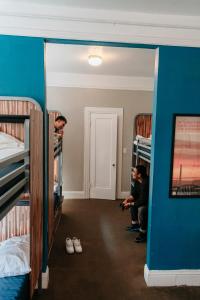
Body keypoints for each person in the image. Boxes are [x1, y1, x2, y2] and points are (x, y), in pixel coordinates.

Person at [123, 165, 149, 243]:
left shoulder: (146, 183)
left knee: (142, 210)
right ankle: (135, 225)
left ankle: (143, 233)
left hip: (148, 203)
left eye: (134, 171)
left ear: (139, 175)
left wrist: (131, 204)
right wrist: (126, 200)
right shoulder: (137, 181)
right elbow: (134, 194)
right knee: (132, 203)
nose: (132, 173)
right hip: (142, 200)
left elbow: (143, 201)